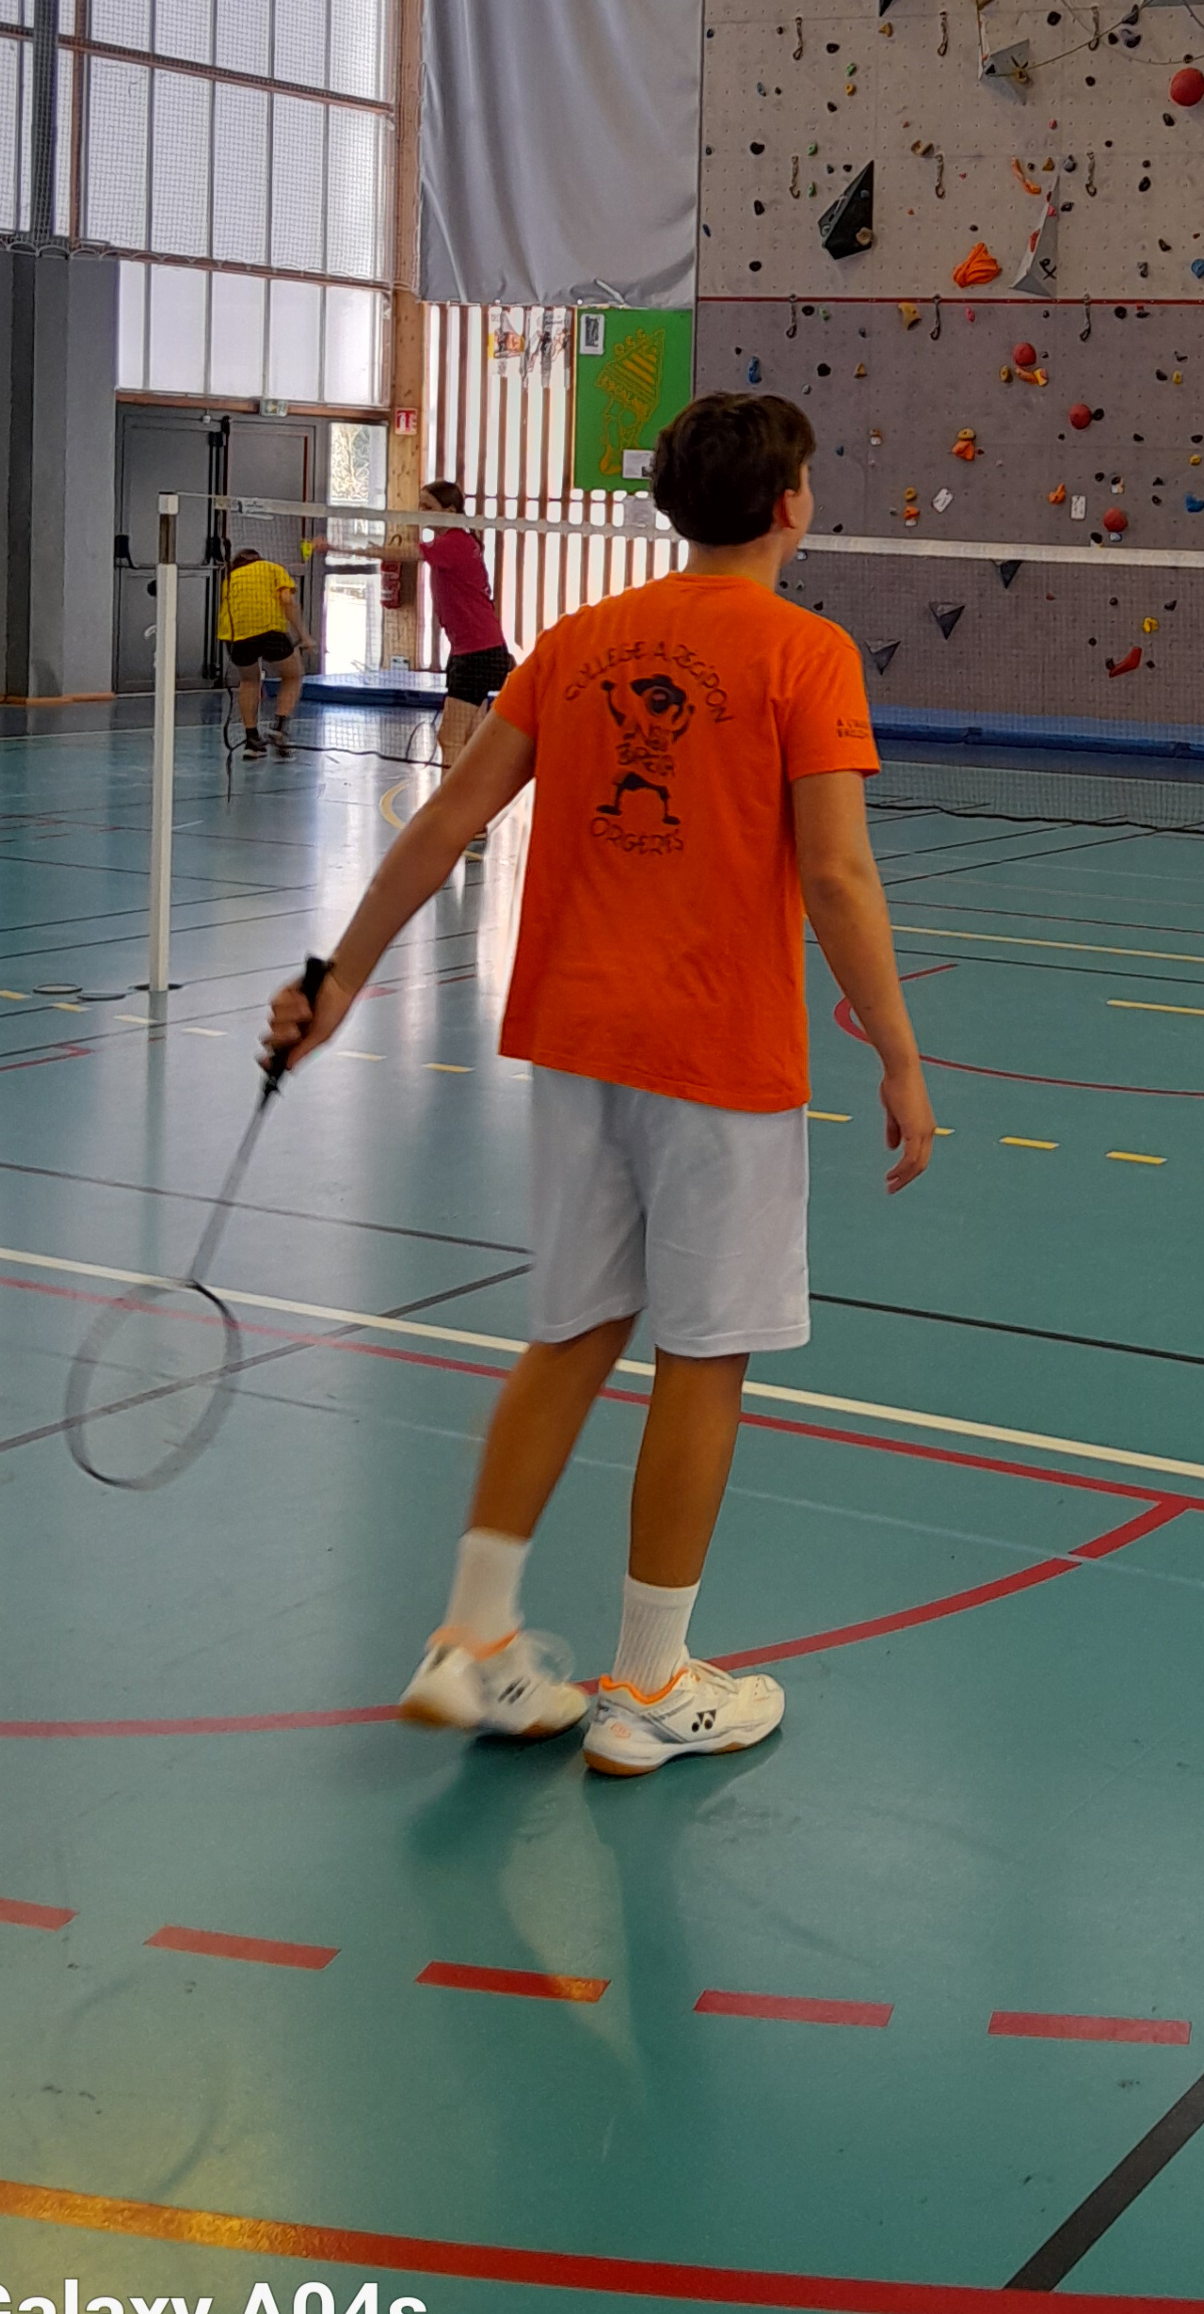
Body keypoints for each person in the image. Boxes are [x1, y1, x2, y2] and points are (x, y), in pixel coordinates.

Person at [262, 393, 935, 1780]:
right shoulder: (807, 653)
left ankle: (475, 1640)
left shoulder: (576, 642)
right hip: (718, 1056)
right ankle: (651, 1685)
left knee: (569, 1332)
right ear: (791, 504)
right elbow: (835, 872)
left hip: (573, 1046)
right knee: (705, 1354)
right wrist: (900, 1051)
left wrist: (334, 980)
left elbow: (449, 817)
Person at [416, 481, 512, 769]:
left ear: (449, 511)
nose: (420, 511)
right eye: (419, 505)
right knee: (470, 739)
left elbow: (406, 553)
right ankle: (474, 794)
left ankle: (453, 798)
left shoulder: (454, 542)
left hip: (476, 656)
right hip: (478, 651)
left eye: (427, 507)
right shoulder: (457, 542)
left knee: (450, 738)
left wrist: (343, 548)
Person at [219, 545, 307, 758]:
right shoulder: (274, 569)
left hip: (235, 636)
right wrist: (303, 635)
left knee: (249, 681)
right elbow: (287, 601)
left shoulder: (230, 579)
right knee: (293, 675)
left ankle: (252, 741)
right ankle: (280, 726)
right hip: (268, 629)